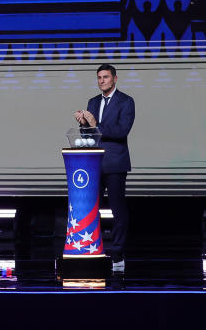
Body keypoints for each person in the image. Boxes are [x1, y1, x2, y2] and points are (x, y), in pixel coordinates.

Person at [74, 63, 135, 270]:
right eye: (99, 77)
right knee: (92, 209)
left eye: (106, 77)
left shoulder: (126, 101)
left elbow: (121, 131)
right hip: (94, 164)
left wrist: (94, 125)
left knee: (118, 210)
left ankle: (117, 254)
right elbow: (88, 135)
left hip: (116, 163)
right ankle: (93, 247)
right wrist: (83, 124)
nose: (102, 81)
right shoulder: (92, 102)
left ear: (115, 79)